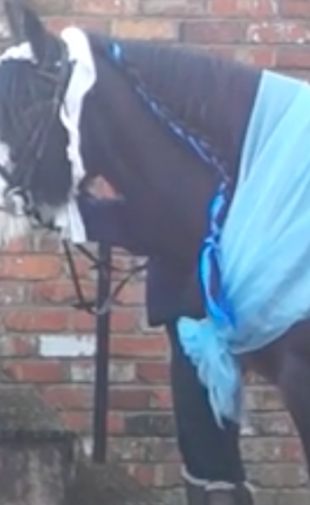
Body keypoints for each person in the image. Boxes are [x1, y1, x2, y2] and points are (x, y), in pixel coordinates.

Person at [78, 193, 254, 505]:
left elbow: (165, 218)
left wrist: (82, 212)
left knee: (207, 437)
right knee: (205, 434)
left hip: (201, 296)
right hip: (194, 296)